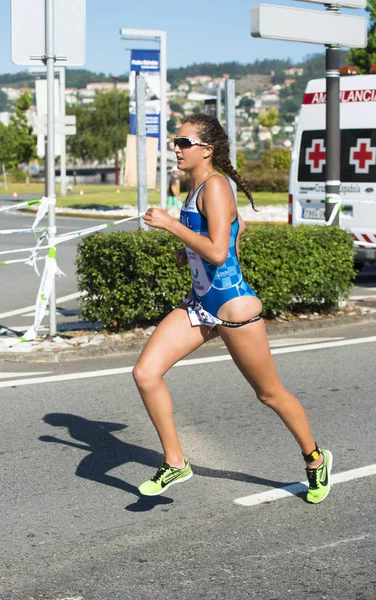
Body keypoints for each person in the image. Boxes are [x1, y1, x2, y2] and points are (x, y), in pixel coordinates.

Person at [133, 113, 332, 504]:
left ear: (206, 150)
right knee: (145, 373)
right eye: (176, 141)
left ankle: (314, 458)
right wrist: (186, 252)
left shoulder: (216, 186)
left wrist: (173, 226)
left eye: (184, 142)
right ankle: (176, 462)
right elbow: (226, 244)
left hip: (233, 307)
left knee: (269, 394)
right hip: (201, 304)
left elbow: (219, 251)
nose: (176, 147)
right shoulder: (195, 187)